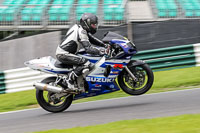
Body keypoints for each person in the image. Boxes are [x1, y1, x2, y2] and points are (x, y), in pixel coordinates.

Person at [56, 13, 110, 91]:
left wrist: (104, 45)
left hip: (65, 53)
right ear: (86, 23)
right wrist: (102, 51)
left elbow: (92, 39)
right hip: (64, 54)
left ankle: (79, 83)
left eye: (95, 25)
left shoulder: (80, 28)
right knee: (86, 63)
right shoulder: (81, 32)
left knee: (85, 60)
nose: (94, 26)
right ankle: (69, 79)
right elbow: (88, 49)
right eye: (92, 25)